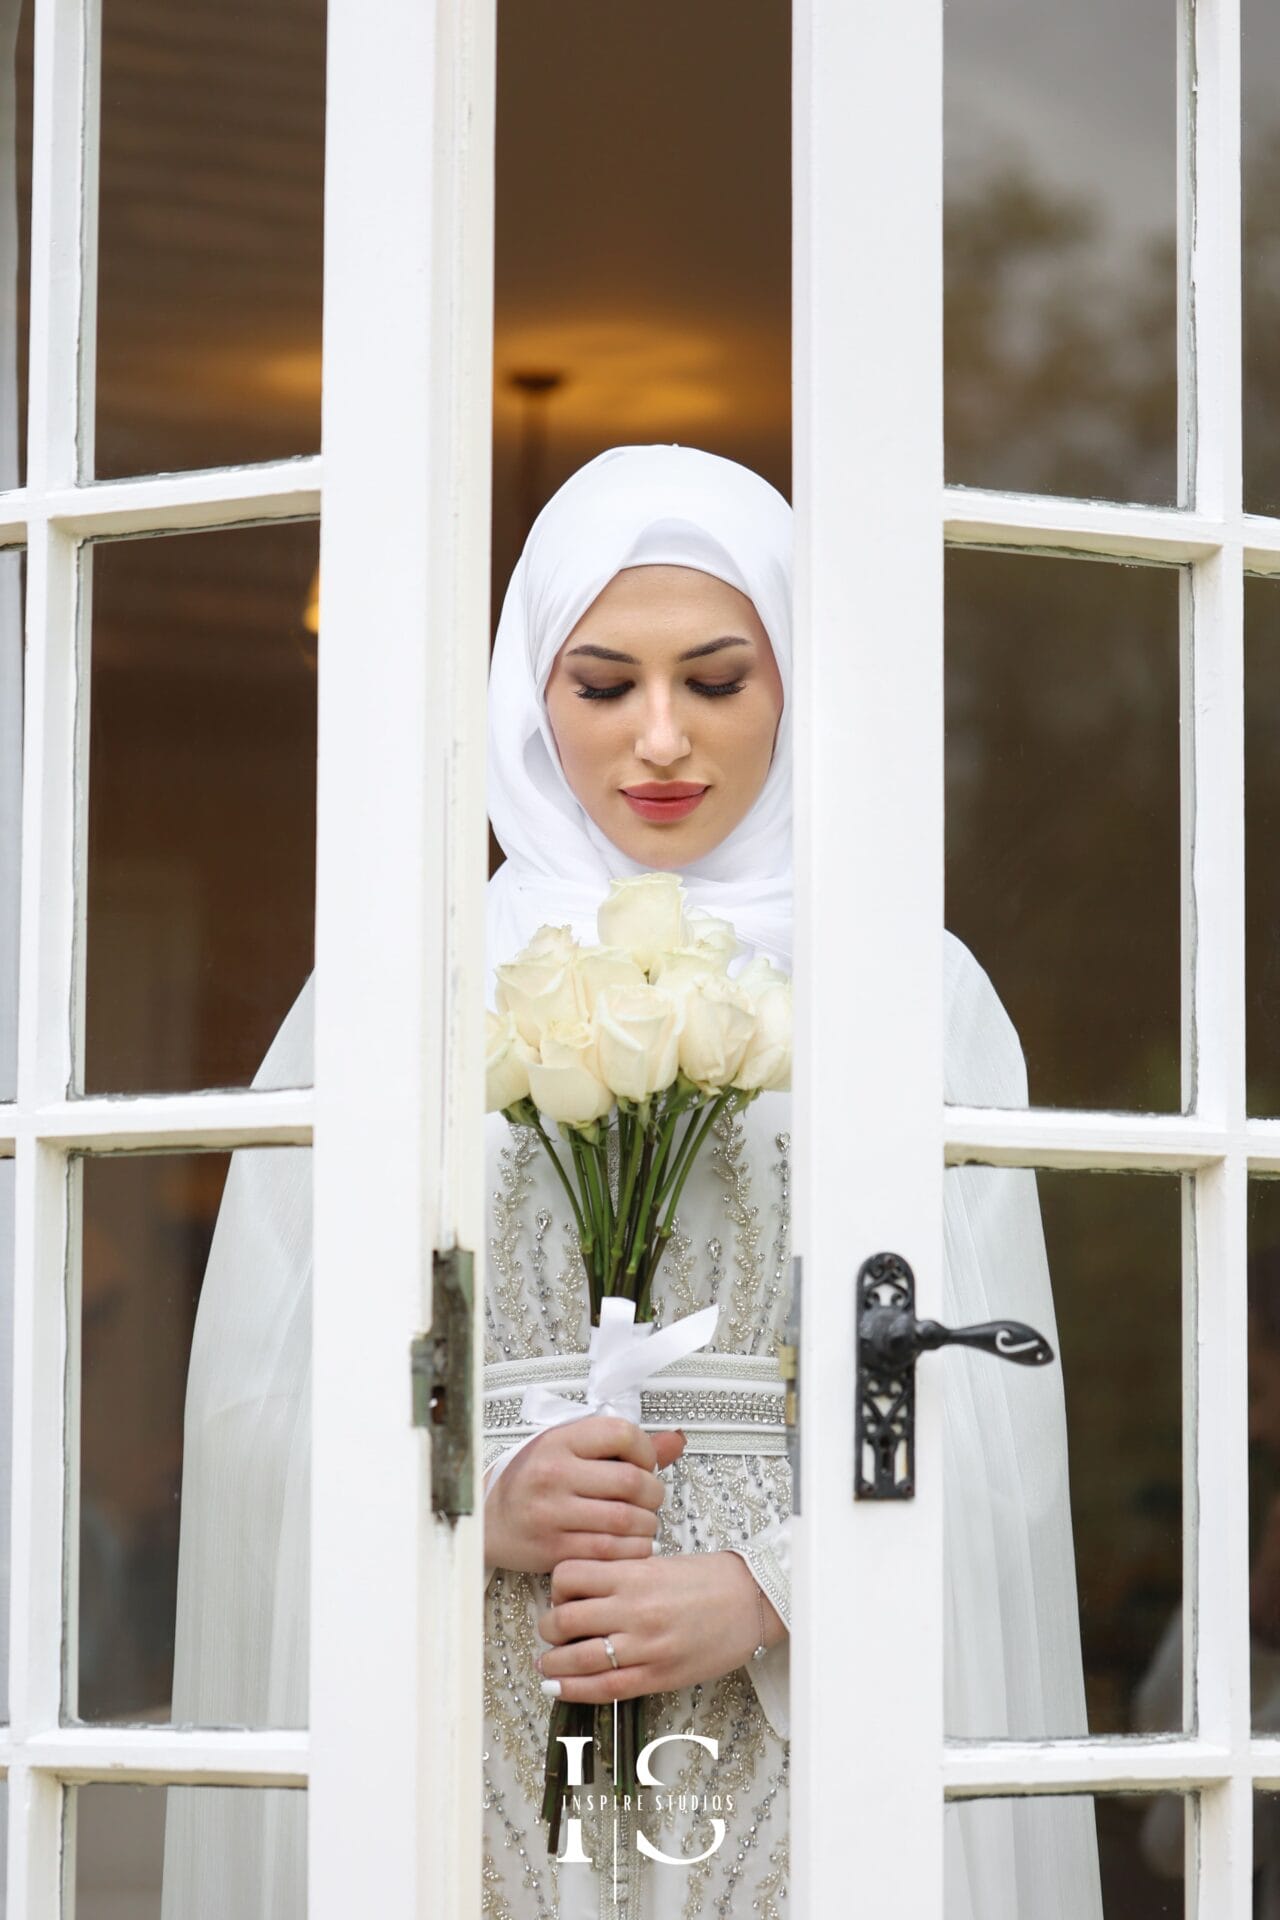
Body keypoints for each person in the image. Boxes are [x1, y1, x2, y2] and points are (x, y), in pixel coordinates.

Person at [162, 442, 1103, 1920]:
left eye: (715, 680)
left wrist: (773, 1587)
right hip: (473, 1683)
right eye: (604, 686)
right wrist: (475, 1497)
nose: (660, 738)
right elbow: (264, 1397)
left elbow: (986, 1405)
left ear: (795, 682)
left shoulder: (914, 991)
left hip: (806, 1709)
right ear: (532, 698)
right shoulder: (409, 983)